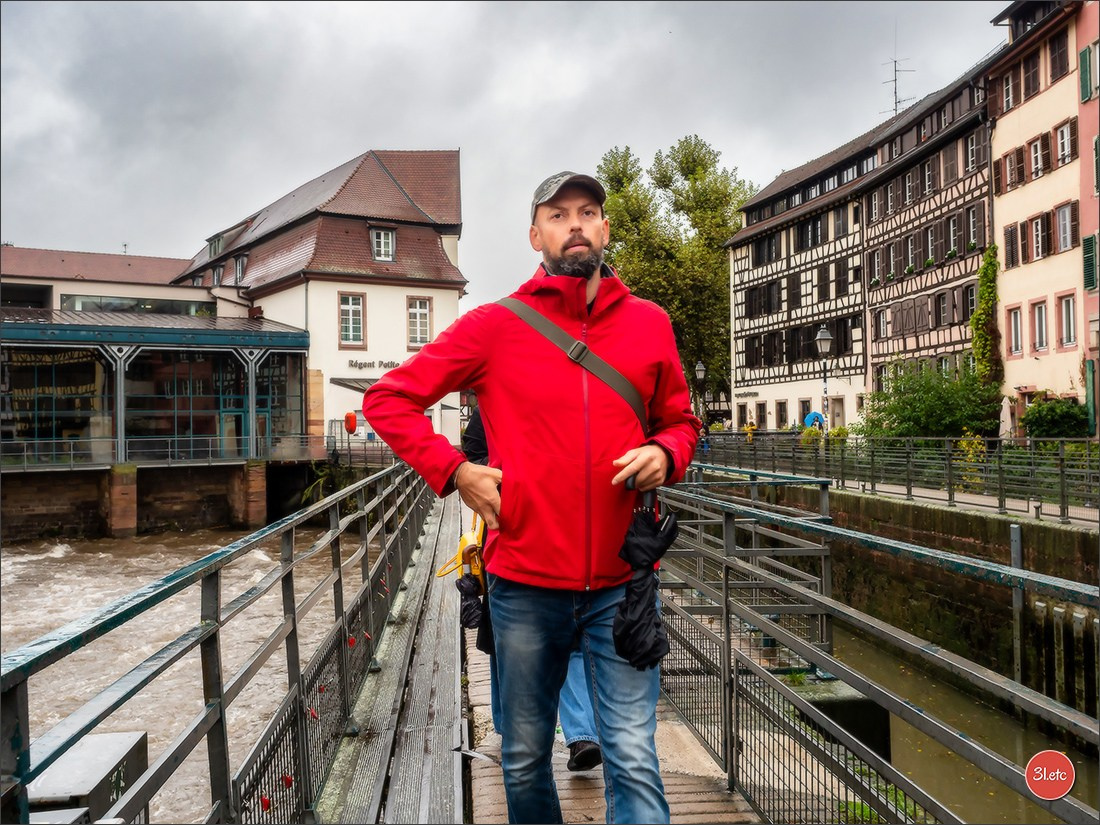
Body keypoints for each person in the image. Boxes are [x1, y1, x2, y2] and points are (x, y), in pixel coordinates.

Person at [363, 170, 700, 824]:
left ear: (605, 229)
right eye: (558, 214)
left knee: (633, 753)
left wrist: (666, 453)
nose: (575, 224)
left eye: (588, 212)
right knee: (522, 757)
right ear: (535, 235)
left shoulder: (649, 323)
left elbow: (682, 422)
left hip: (623, 584)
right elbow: (388, 400)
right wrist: (456, 470)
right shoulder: (495, 326)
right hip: (523, 583)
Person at [463, 406, 603, 771]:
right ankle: (574, 733)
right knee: (544, 639)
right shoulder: (494, 408)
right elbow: (475, 461)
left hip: (532, 535)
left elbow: (473, 454)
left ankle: (523, 729)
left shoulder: (490, 409)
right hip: (521, 532)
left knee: (516, 638)